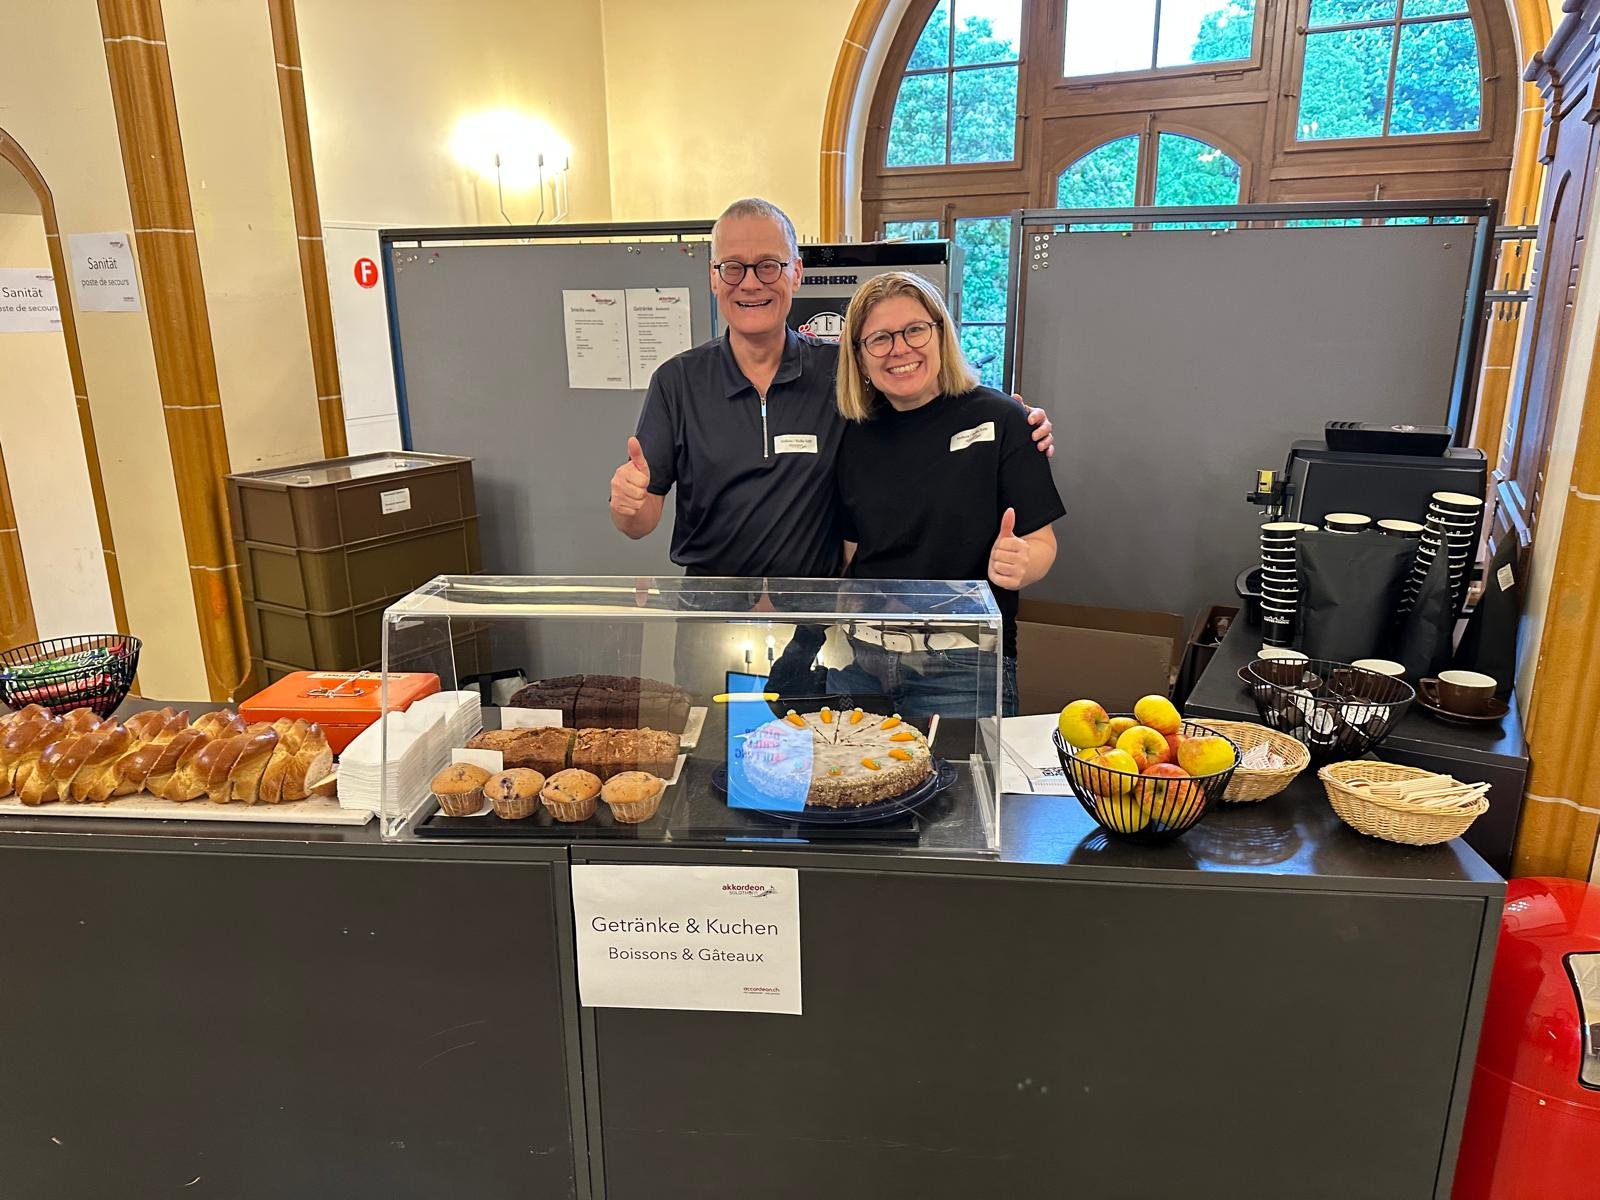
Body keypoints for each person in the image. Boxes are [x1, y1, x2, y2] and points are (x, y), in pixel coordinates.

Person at [606, 198, 1054, 697]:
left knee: (821, 745)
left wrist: (1013, 420)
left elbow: (924, 402)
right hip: (711, 621)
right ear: (714, 277)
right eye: (732, 267)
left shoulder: (839, 373)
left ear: (796, 273)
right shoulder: (677, 381)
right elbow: (638, 522)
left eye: (769, 265)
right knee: (714, 741)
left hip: (818, 630)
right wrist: (628, 504)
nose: (750, 282)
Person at [827, 271, 1064, 718]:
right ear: (859, 357)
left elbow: (1041, 542)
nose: (900, 349)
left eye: (915, 330)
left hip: (963, 667)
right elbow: (853, 552)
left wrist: (1021, 564)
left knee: (960, 770)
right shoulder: (851, 434)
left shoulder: (1004, 420)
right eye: (879, 339)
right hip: (861, 665)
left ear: (941, 333)